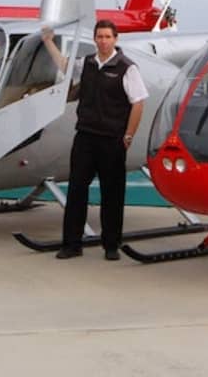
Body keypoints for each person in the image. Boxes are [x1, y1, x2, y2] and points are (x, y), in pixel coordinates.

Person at [43, 19, 148, 261]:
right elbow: (65, 65)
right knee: (76, 190)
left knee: (112, 193)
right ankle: (72, 244)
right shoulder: (87, 63)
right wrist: (48, 42)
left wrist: (129, 135)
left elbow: (138, 103)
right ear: (94, 39)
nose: (103, 41)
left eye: (107, 37)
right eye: (99, 37)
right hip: (85, 137)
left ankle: (111, 245)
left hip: (113, 139)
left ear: (115, 39)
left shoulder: (126, 68)